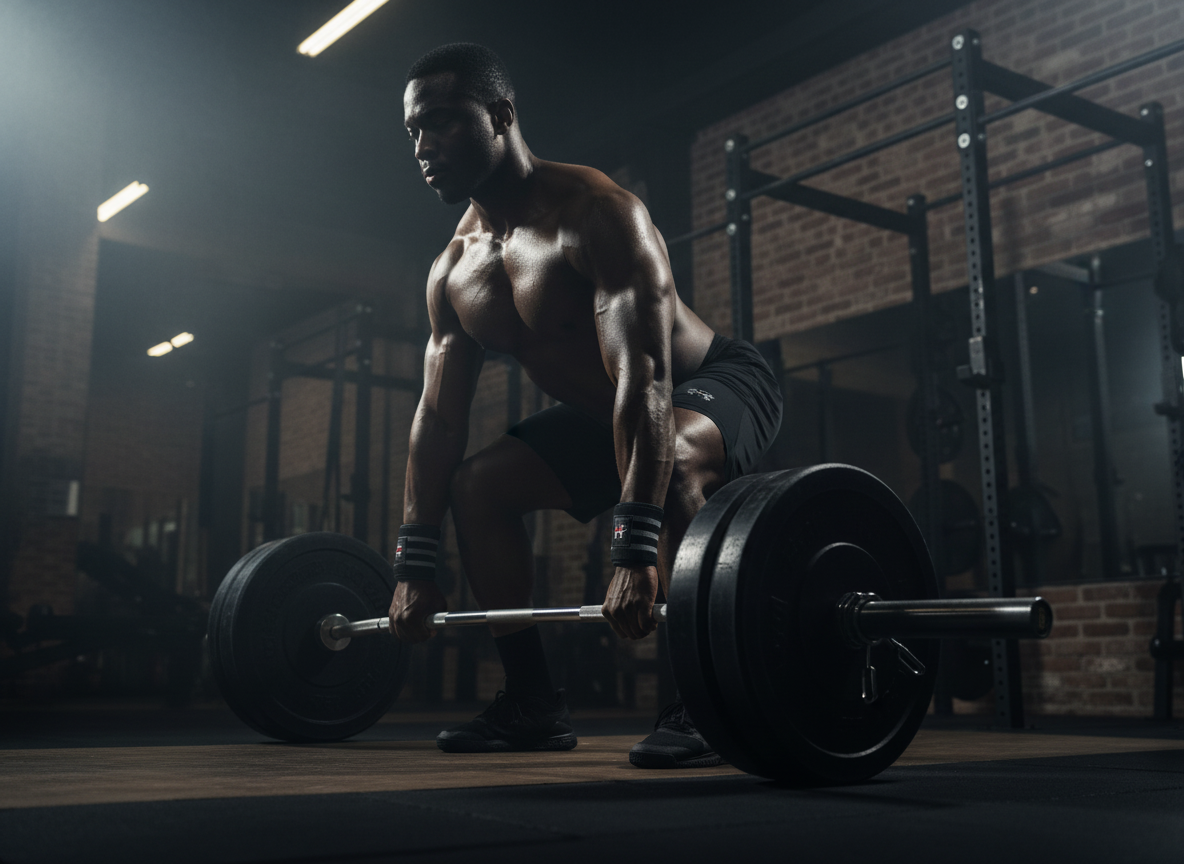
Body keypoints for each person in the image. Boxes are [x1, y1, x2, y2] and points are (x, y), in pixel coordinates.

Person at [388, 43, 782, 768]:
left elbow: (648, 379)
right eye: (413, 130)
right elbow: (438, 419)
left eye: (441, 122)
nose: (423, 146)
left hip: (714, 382)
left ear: (500, 115)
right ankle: (533, 704)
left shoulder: (598, 215)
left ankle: (704, 697)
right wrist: (414, 561)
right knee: (478, 487)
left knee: (679, 459)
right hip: (611, 410)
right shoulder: (454, 269)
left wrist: (633, 550)